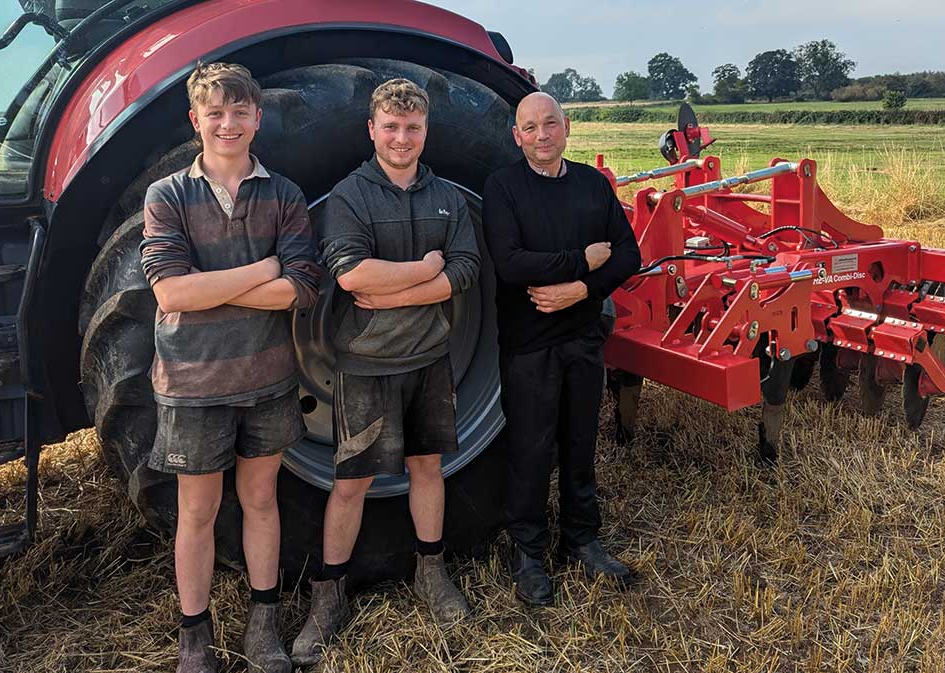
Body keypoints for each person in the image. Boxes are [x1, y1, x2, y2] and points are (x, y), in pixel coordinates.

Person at [140, 62, 322, 673]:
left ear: (257, 119)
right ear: (196, 120)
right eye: (215, 113)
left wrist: (213, 285)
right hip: (194, 384)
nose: (228, 123)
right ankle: (195, 638)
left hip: (268, 380)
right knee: (197, 511)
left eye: (239, 112)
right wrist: (260, 271)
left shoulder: (285, 194)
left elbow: (299, 289)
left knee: (261, 500)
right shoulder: (167, 196)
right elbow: (171, 295)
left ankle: (262, 625)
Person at [292, 78, 480, 666]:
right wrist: (428, 271)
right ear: (372, 130)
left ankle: (431, 572)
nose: (403, 139)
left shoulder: (445, 195)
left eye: (414, 128)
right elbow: (350, 276)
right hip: (366, 365)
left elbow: (469, 266)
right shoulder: (351, 195)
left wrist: (407, 285)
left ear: (426, 131)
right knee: (351, 483)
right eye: (392, 128)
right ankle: (329, 595)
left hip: (430, 359)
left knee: (429, 467)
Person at [482, 92, 641, 606]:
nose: (542, 134)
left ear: (566, 127)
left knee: (579, 444)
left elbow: (628, 255)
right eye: (530, 127)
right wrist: (582, 260)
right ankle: (527, 552)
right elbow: (510, 263)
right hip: (529, 346)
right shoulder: (503, 187)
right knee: (530, 449)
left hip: (583, 339)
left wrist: (581, 288)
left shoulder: (592, 186)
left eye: (551, 123)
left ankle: (582, 539)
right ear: (517, 136)